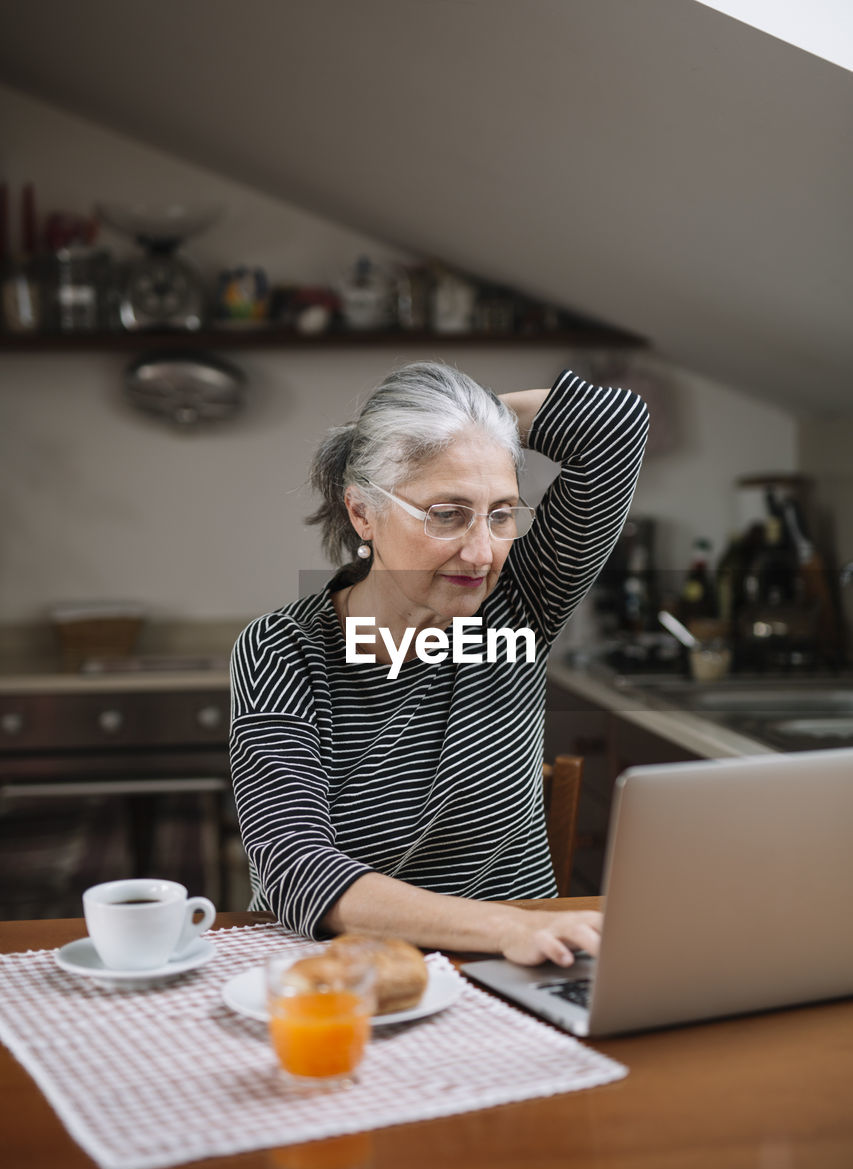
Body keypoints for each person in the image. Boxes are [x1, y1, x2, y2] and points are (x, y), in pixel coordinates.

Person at [230, 362, 648, 966]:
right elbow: (295, 868)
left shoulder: (517, 606)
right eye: (447, 514)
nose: (482, 554)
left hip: (520, 967)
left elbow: (615, 427)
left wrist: (475, 424)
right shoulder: (282, 650)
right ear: (362, 513)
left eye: (501, 514)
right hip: (357, 973)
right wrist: (501, 928)